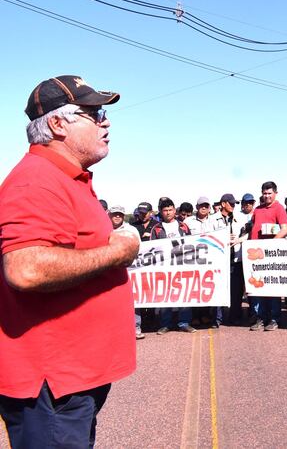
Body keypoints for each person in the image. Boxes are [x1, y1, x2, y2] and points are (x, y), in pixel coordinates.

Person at [0, 75, 139, 447]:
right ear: (58, 124)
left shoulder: (66, 179)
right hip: (50, 385)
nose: (105, 122)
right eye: (93, 113)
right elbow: (25, 268)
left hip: (70, 380)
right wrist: (117, 252)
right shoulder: (36, 180)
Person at [151, 197, 196, 334]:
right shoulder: (156, 229)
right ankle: (166, 324)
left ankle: (184, 322)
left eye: (170, 210)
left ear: (175, 210)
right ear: (160, 212)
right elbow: (152, 248)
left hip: (182, 266)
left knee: (184, 294)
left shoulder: (183, 226)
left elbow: (191, 244)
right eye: (165, 210)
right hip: (164, 267)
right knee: (166, 295)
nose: (168, 213)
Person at [249, 181, 287, 331]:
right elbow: (252, 230)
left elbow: (284, 229)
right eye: (264, 193)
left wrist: (270, 245)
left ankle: (274, 319)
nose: (266, 196)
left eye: (269, 193)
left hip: (271, 255)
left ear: (275, 194)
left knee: (272, 287)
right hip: (254, 255)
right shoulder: (257, 209)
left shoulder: (279, 208)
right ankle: (259, 318)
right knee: (257, 287)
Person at [210, 193, 248, 327]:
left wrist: (238, 240)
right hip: (219, 261)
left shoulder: (240, 218)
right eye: (230, 203)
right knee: (219, 289)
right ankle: (217, 319)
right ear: (223, 204)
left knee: (236, 291)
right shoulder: (212, 219)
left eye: (234, 204)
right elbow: (208, 238)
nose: (233, 206)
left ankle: (235, 316)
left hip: (236, 258)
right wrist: (223, 240)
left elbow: (247, 234)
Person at [109, 205, 144, 340]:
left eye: (120, 214)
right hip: (110, 270)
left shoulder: (131, 229)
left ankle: (136, 327)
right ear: (109, 215)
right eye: (115, 214)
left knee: (134, 299)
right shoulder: (104, 229)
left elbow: (140, 249)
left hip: (131, 269)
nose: (117, 216)